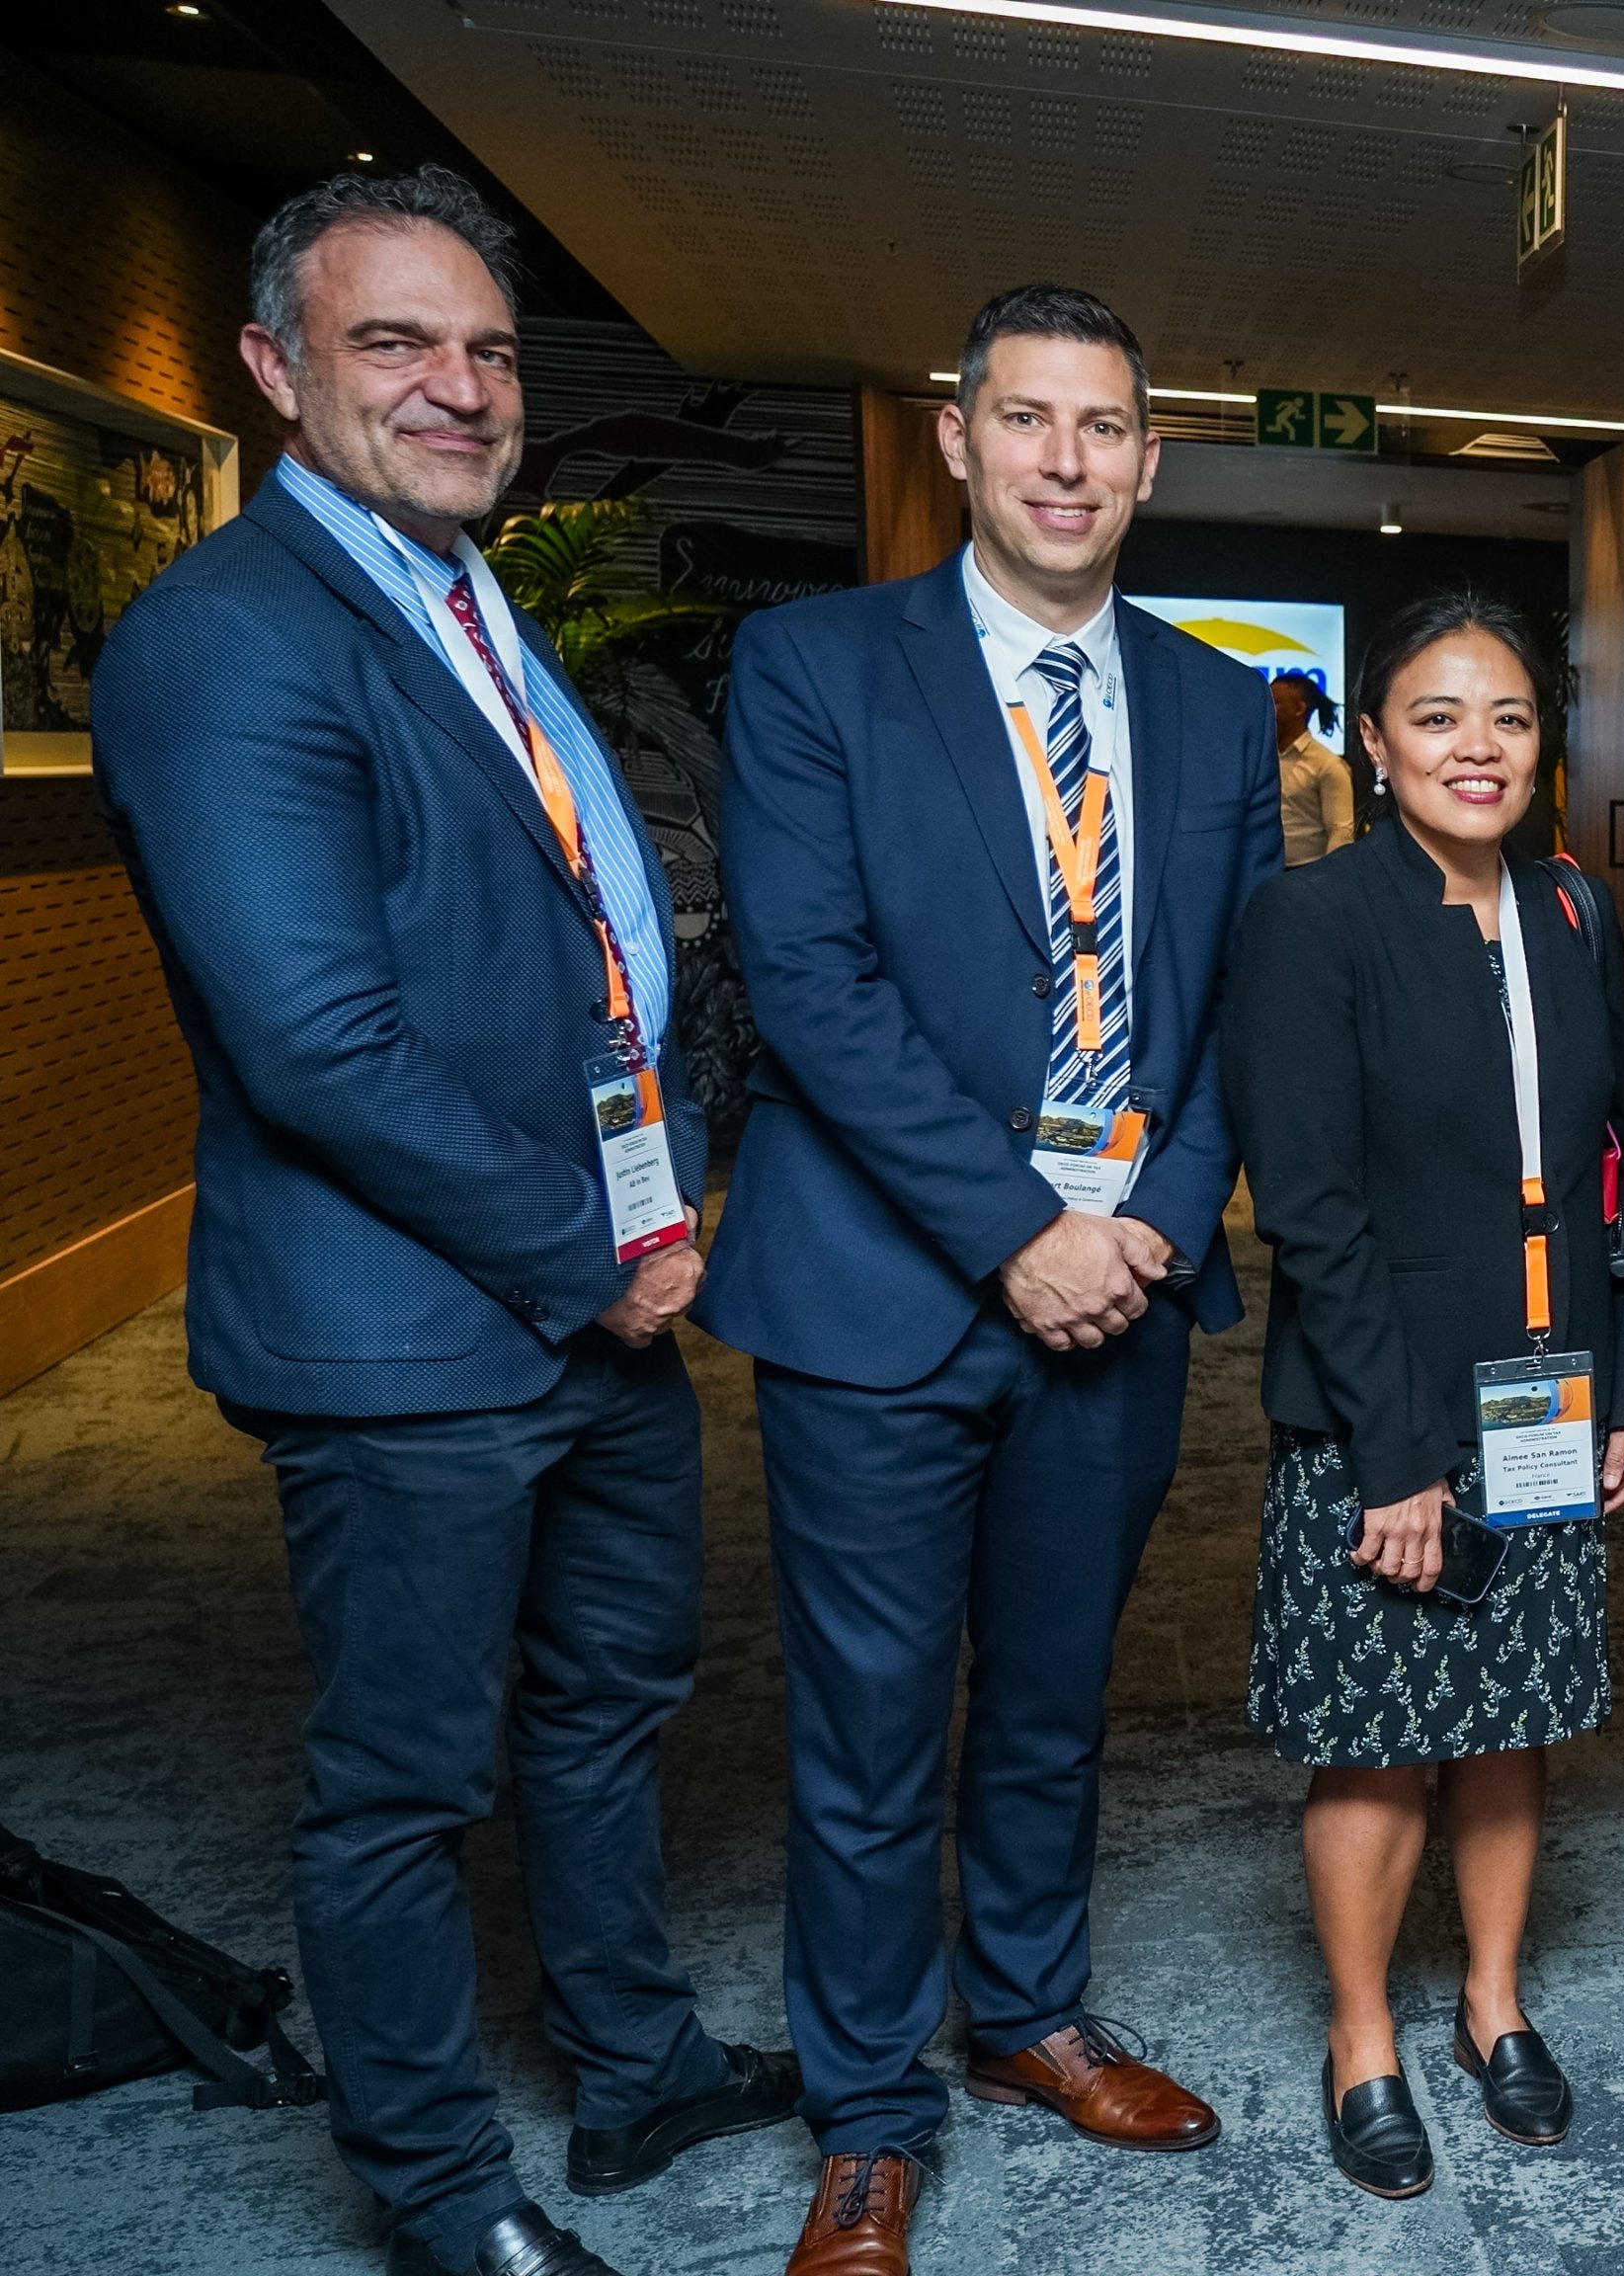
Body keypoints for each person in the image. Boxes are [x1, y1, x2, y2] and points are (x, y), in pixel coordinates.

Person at [87, 167, 795, 2276]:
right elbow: (317, 1045)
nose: (458, 387)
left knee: (603, 1706)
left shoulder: (462, 603)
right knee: (403, 1788)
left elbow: (560, 933)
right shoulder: (225, 640)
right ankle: (438, 2192)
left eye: (486, 349)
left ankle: (632, 2063)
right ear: (275, 368)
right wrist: (607, 1252)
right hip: (409, 1333)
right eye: (396, 342)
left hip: (589, 1316)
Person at [697, 284, 1280, 2275]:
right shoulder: (813, 667)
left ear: (1146, 454)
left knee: (1050, 1703)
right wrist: (1015, 1230)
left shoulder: (1220, 703)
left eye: (1101, 426)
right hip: (881, 1291)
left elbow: (1234, 1005)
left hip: (1123, 1282)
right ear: (956, 439)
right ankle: (865, 2120)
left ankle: (1027, 2016)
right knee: (869, 1729)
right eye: (1022, 420)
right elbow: (810, 986)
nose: (1061, 460)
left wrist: (1160, 1219)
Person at [1221, 592, 1624, 2200]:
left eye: (1505, 717)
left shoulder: (1569, 904)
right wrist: (1391, 1457)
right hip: (1384, 1411)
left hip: (1545, 1389)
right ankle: (1363, 2033)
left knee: (1512, 1718)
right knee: (1374, 1741)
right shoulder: (1317, 919)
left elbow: (1623, 1166)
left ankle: (1493, 2002)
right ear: (1374, 737)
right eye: (1436, 715)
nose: (1474, 747)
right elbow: (1314, 1208)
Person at [1275, 671, 1360, 863]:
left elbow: (1340, 831)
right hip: (1266, 873)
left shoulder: (1327, 765)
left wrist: (1329, 881)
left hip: (1307, 871)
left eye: (1276, 703)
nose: (1268, 710)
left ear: (1299, 710)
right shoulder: (1262, 759)